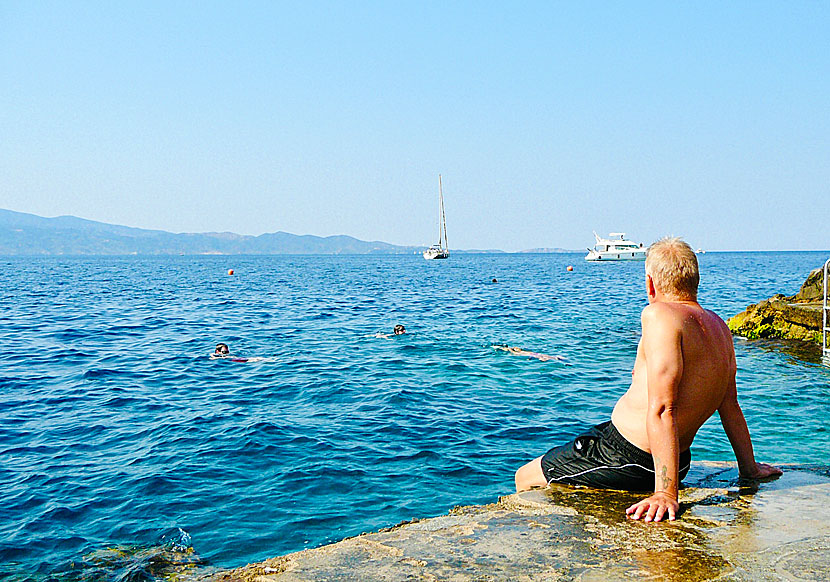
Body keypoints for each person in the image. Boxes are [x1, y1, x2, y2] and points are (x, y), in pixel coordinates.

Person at [514, 237, 781, 522]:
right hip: (676, 460)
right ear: (694, 281)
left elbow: (664, 407)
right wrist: (749, 469)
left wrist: (665, 494)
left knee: (525, 477)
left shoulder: (659, 315)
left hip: (628, 458)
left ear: (650, 284)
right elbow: (729, 406)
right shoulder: (719, 326)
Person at [493, 345, 563, 362]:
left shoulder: (521, 352)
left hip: (535, 354)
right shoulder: (521, 352)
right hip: (535, 354)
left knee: (545, 357)